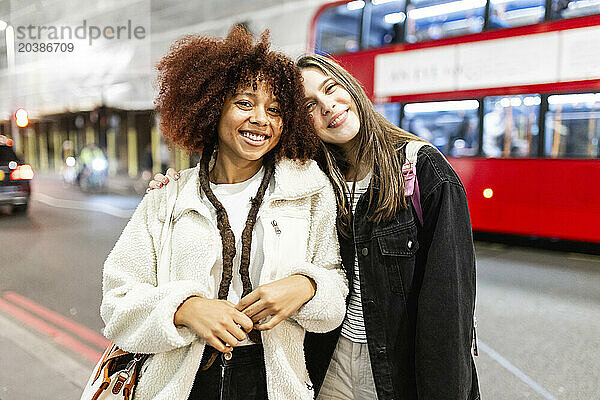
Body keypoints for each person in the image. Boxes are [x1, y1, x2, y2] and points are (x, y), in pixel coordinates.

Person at [151, 54, 480, 400]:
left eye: (331, 88)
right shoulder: (312, 179)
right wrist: (178, 185)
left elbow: (449, 311)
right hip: (328, 368)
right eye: (309, 105)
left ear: (350, 87)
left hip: (395, 371)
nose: (327, 106)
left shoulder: (422, 170)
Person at [103, 27, 347, 400]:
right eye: (245, 104)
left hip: (273, 383)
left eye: (275, 110)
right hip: (183, 383)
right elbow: (117, 303)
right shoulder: (166, 198)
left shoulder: (309, 192)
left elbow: (336, 291)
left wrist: (306, 286)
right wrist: (184, 310)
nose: (261, 119)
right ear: (213, 107)